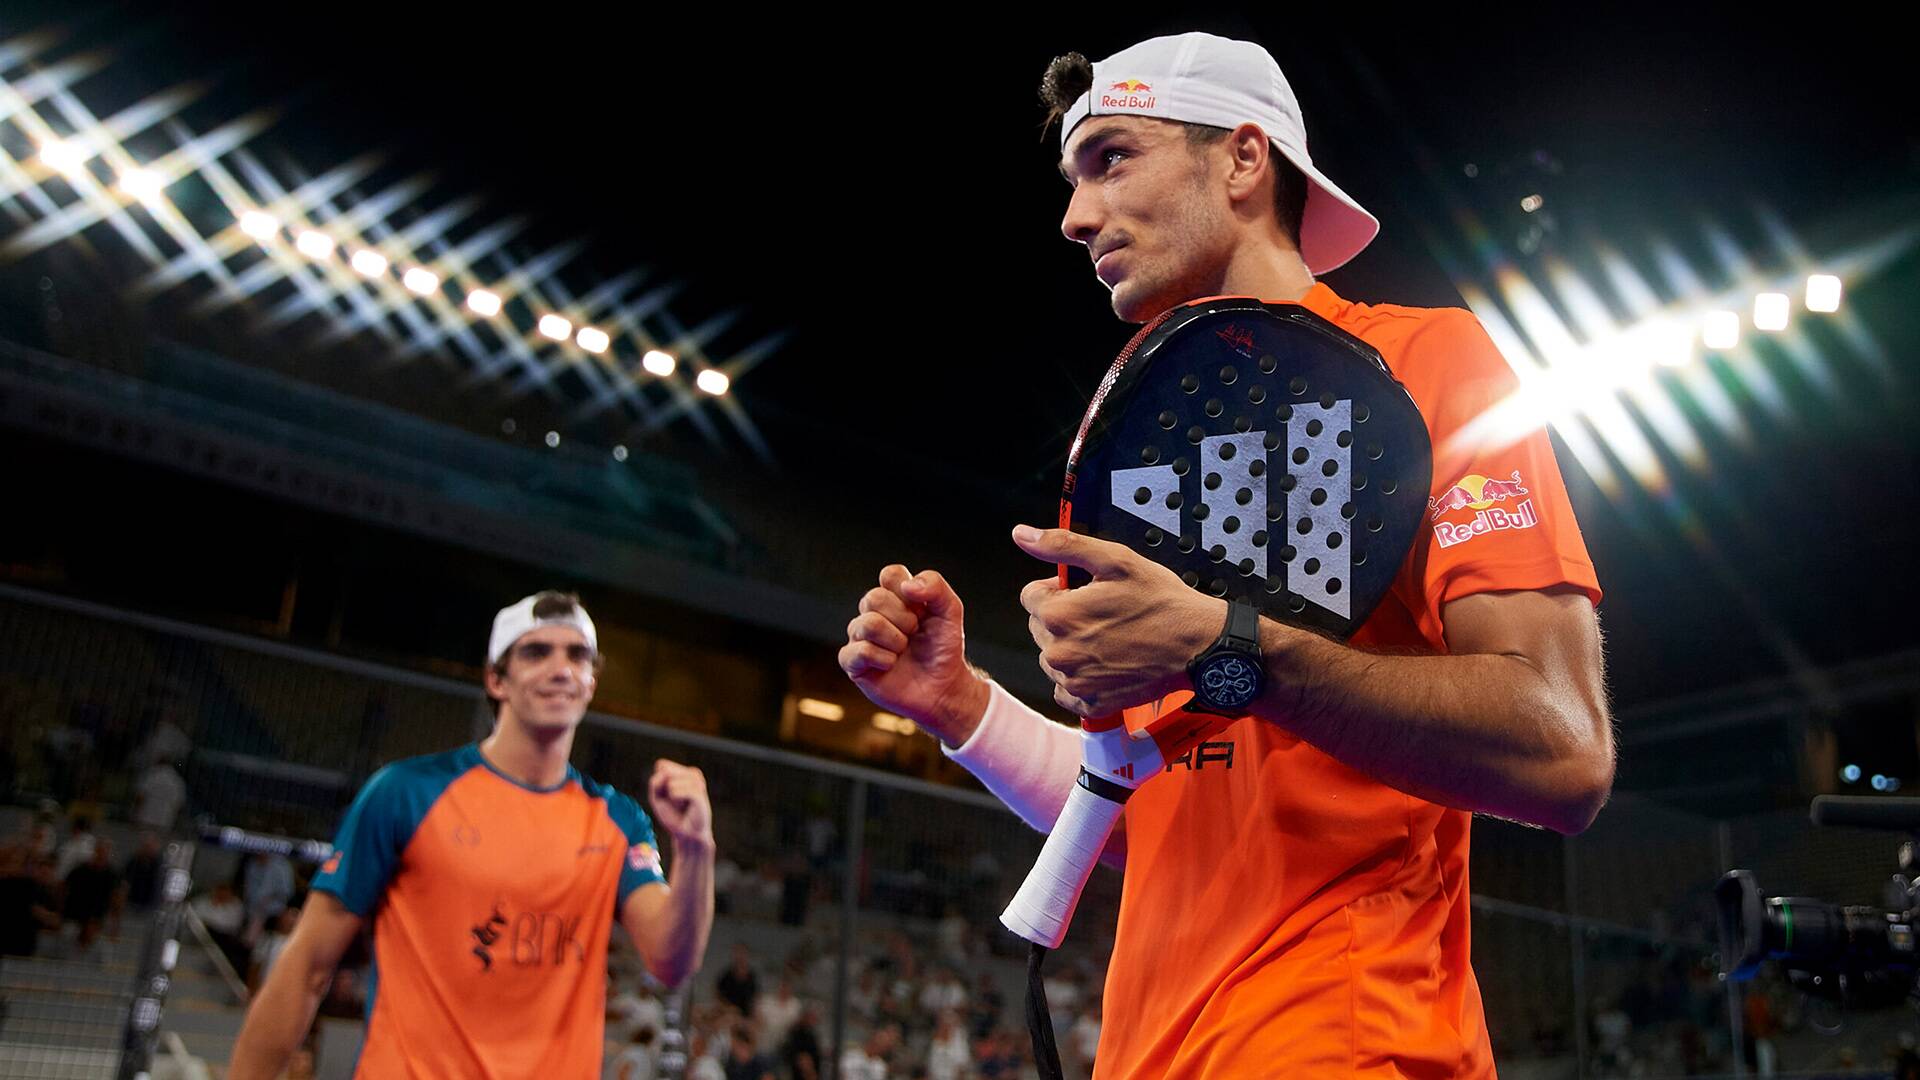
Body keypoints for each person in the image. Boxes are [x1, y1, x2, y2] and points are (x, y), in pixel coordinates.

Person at [838, 31, 1612, 1079]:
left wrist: (1225, 646)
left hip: (1344, 1043)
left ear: (1245, 159)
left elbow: (1563, 752)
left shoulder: (1434, 363)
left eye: (1111, 157)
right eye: (1073, 177)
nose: (1074, 216)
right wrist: (963, 710)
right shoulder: (1139, 443)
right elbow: (1149, 804)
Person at [229, 591, 716, 1078]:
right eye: (536, 652)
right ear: (496, 679)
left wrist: (695, 848)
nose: (561, 668)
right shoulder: (407, 794)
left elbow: (672, 960)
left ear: (591, 682)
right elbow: (307, 967)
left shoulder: (617, 820)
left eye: (577, 655)